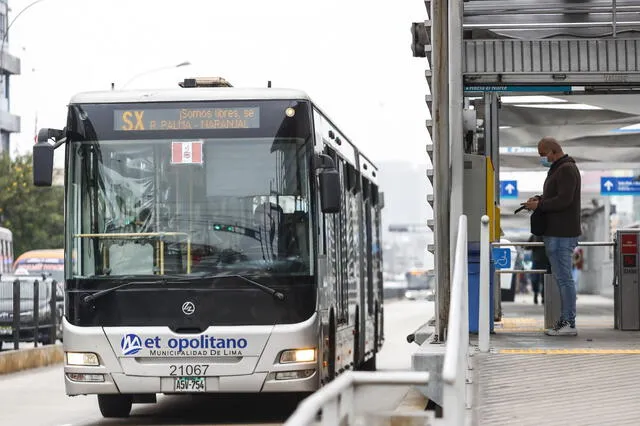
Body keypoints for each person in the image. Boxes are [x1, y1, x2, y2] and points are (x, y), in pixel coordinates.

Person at [523, 137, 581, 336]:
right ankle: (566, 321)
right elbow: (558, 196)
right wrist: (540, 199)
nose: (542, 159)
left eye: (542, 155)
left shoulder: (566, 169)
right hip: (556, 233)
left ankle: (569, 323)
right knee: (562, 278)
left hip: (562, 234)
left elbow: (565, 200)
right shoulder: (559, 169)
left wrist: (540, 205)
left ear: (553, 151)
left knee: (564, 279)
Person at [528, 233, 550, 305]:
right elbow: (527, 246)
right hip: (536, 260)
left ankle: (543, 297)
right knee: (535, 279)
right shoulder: (534, 235)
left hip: (546, 261)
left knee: (545, 281)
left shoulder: (549, 235)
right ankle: (536, 293)